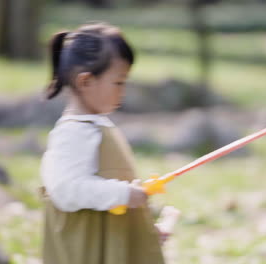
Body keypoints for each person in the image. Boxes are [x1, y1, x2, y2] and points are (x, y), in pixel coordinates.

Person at [39, 22, 166, 264]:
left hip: (110, 246)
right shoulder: (73, 132)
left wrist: (141, 229)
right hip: (87, 251)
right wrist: (123, 193)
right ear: (85, 82)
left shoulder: (98, 127)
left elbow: (108, 196)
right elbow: (65, 189)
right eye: (118, 82)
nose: (123, 91)